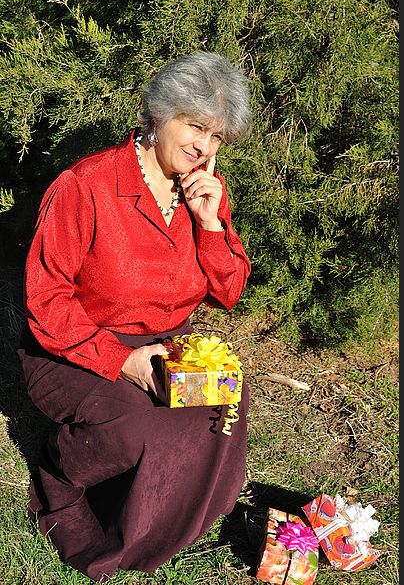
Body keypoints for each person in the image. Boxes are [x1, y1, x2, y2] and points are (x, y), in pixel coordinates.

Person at [17, 51, 252, 582]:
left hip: (167, 344)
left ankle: (167, 519)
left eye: (217, 138)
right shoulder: (86, 186)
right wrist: (124, 362)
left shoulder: (203, 193)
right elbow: (46, 301)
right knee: (133, 423)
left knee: (219, 402)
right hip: (74, 344)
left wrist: (210, 224)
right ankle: (61, 477)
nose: (204, 148)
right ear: (157, 114)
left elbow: (229, 292)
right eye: (195, 127)